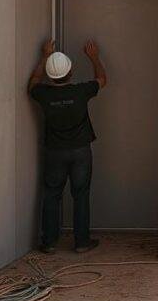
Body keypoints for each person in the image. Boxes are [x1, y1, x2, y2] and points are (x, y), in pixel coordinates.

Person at [27, 39, 107, 253]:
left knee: (52, 194)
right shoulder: (81, 91)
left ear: (49, 75)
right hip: (80, 151)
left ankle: (49, 242)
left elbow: (33, 82)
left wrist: (45, 56)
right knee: (81, 194)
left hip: (54, 152)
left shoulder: (43, 94)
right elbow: (101, 79)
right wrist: (94, 57)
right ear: (70, 72)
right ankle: (82, 242)